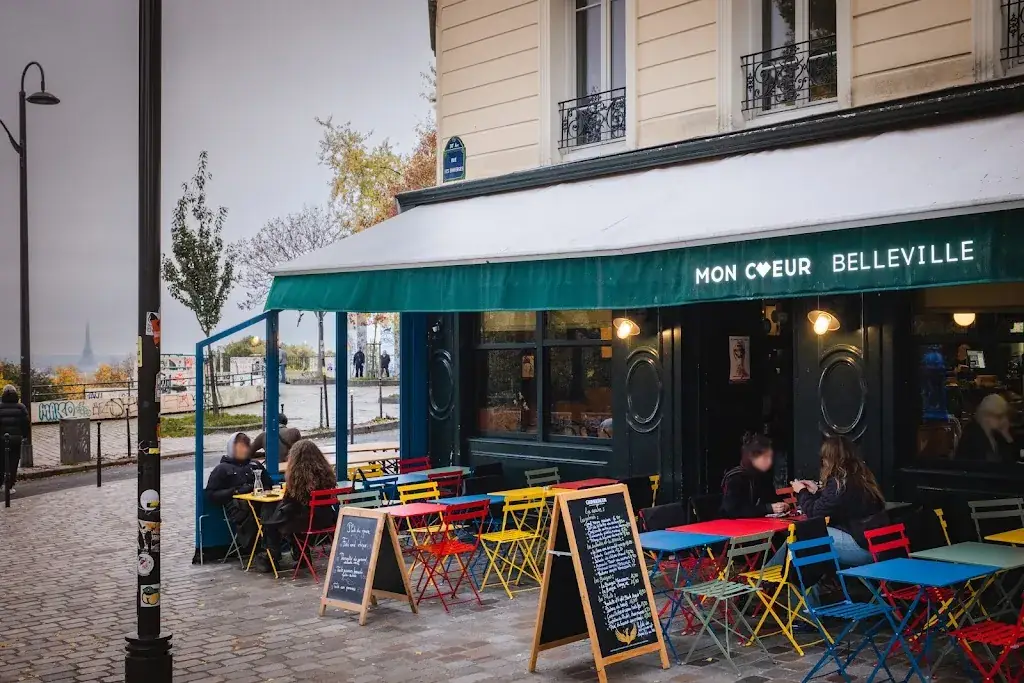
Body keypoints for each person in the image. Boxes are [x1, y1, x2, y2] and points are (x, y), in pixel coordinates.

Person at [791, 435, 885, 568]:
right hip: (877, 546)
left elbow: (815, 513)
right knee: (804, 540)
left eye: (824, 457)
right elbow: (838, 504)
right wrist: (816, 492)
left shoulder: (839, 483)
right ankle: (814, 584)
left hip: (863, 549)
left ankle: (767, 578)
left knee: (801, 535)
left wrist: (801, 491)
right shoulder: (861, 477)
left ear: (830, 459)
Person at [260, 439, 338, 572]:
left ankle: (271, 558)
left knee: (272, 522)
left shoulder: (298, 479)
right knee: (292, 517)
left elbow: (290, 502)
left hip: (307, 522)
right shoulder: (327, 474)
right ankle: (301, 555)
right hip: (327, 520)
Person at [204, 432, 274, 555]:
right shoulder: (222, 469)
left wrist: (262, 490)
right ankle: (264, 550)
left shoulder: (255, 465)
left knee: (280, 509)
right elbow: (211, 494)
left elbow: (269, 484)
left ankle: (274, 549)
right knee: (263, 515)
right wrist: (234, 491)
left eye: (245, 447)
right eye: (240, 447)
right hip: (239, 509)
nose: (243, 450)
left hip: (260, 504)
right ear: (232, 448)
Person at [720, 433, 788, 518]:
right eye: (765, 457)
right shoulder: (735, 477)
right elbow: (732, 510)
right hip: (733, 526)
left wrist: (781, 506)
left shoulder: (763, 476)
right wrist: (768, 508)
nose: (769, 462)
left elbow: (771, 498)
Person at [956, 394, 1017, 463]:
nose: (1003, 420)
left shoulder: (995, 433)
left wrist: (1006, 435)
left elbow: (1010, 462)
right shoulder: (973, 433)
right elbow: (982, 463)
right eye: (999, 416)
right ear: (986, 416)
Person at [0, 385, 29, 495]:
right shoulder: (21, 407)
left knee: (1, 461)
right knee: (13, 462)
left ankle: (1, 483)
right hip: (16, 440)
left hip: (2, 440)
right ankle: (10, 485)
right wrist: (24, 436)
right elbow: (26, 423)